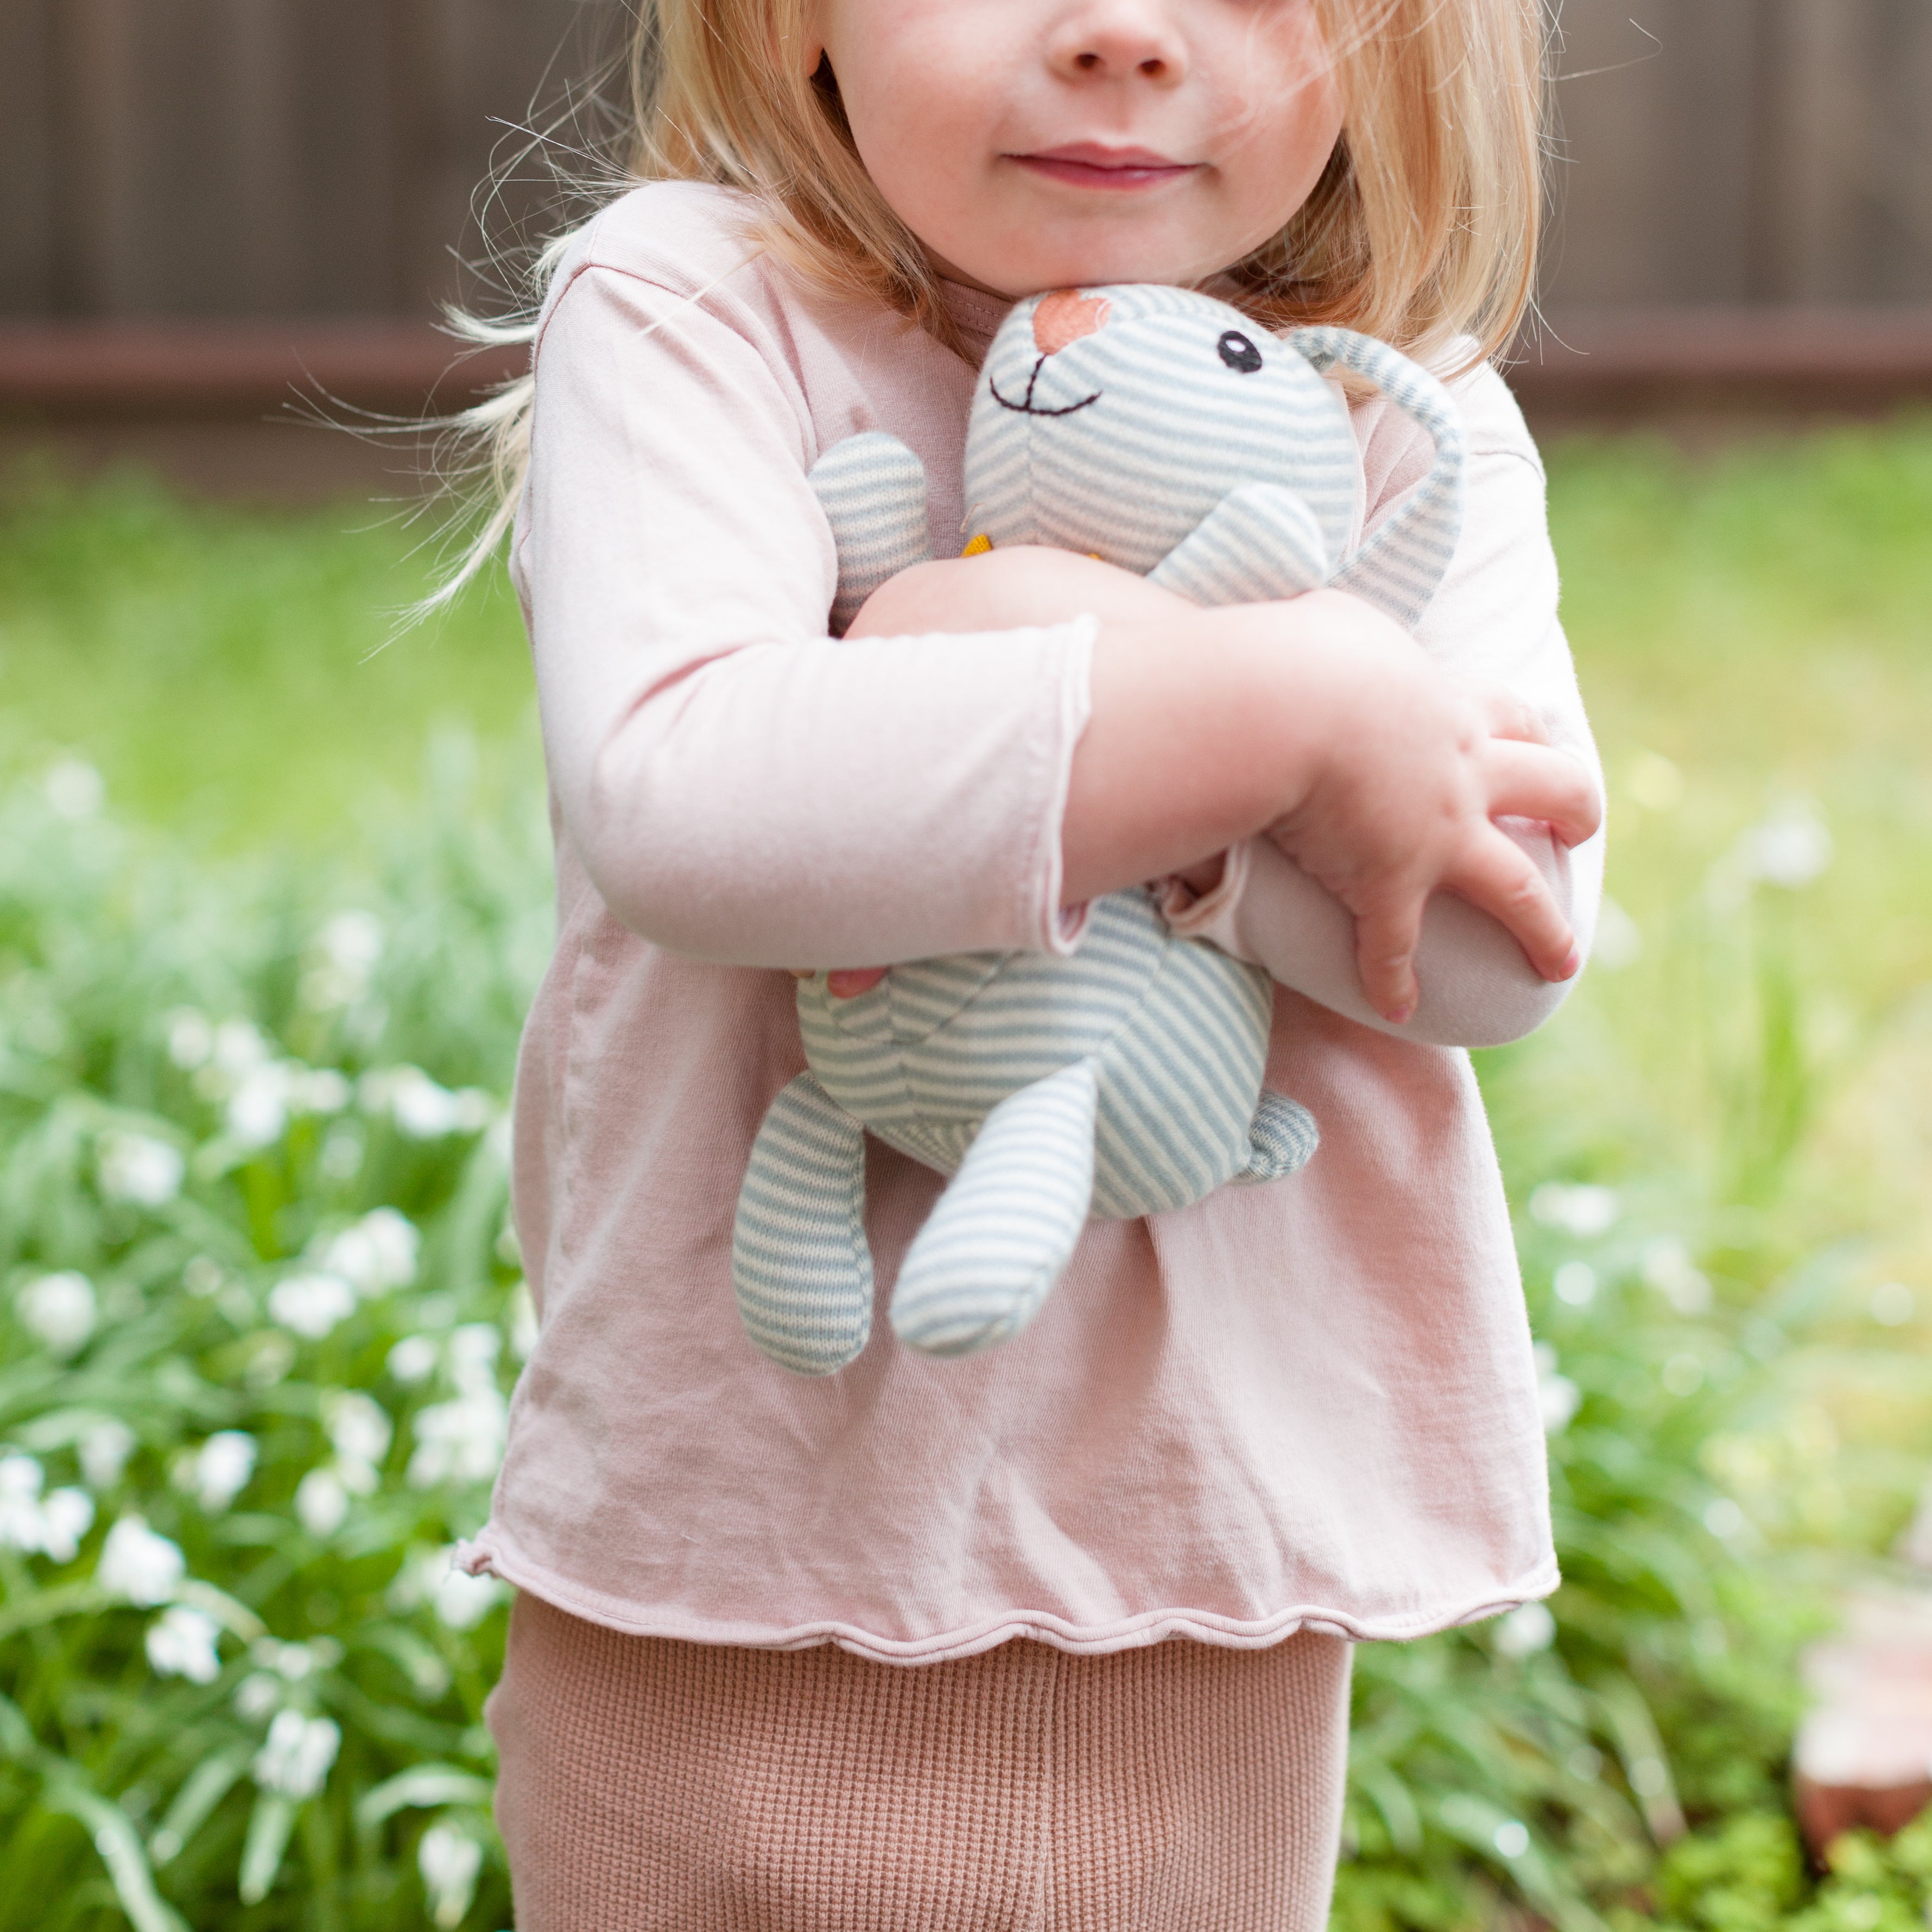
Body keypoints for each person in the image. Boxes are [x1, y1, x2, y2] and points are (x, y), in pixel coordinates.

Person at [452, 0, 1606, 1925]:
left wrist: (1213, 729)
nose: (1121, 35)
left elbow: (1506, 946)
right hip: (728, 1565)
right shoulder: (698, 305)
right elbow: (689, 799)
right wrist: (1289, 723)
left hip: (1191, 1582)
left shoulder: (1401, 415)